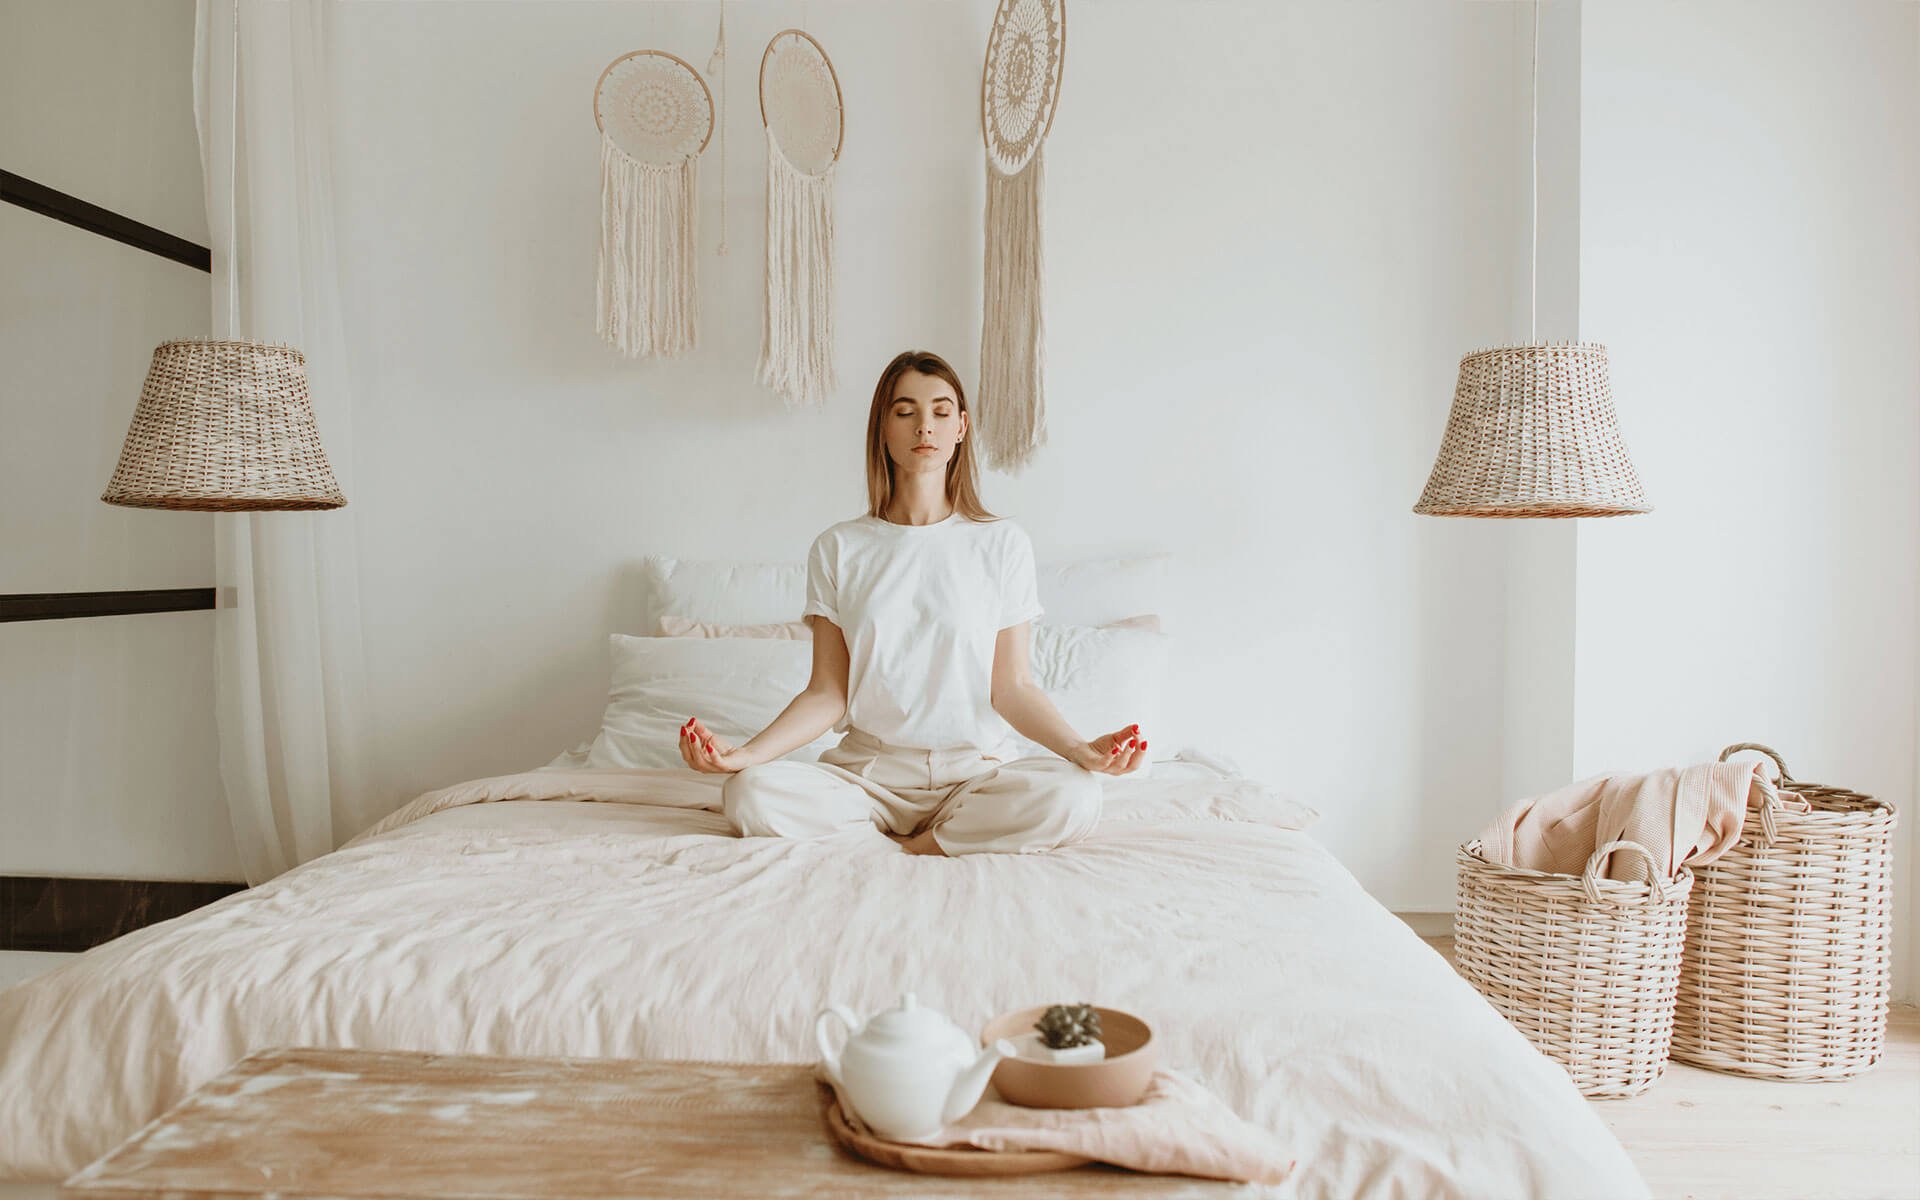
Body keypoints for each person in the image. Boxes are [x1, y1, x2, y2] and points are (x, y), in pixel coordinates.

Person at [676, 349, 1149, 856]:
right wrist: (744, 755)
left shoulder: (1002, 544)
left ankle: (920, 845)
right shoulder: (840, 547)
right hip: (867, 778)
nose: (925, 426)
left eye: (941, 412)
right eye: (906, 412)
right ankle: (908, 838)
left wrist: (1081, 750)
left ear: (961, 427)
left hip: (974, 775)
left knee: (1075, 795)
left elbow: (1011, 688)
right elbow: (827, 693)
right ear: (882, 427)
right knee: (749, 793)